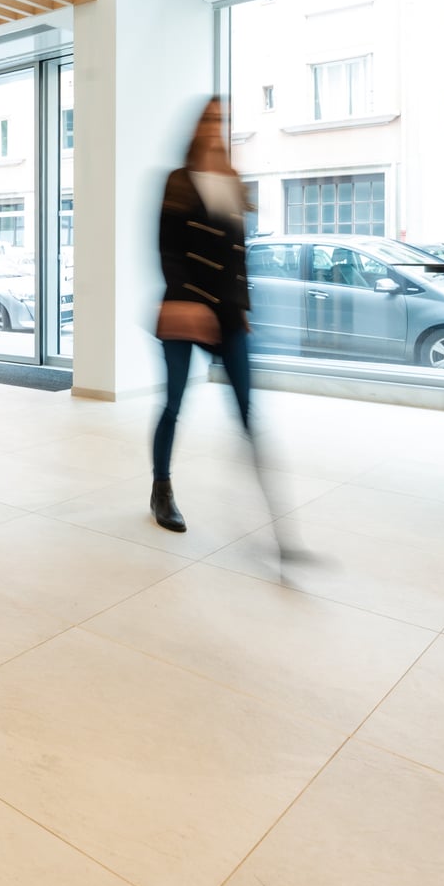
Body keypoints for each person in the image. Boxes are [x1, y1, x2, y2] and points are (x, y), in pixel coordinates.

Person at [150, 98, 308, 562]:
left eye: (224, 120)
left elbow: (238, 255)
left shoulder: (232, 180)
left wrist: (241, 310)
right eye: (212, 118)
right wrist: (188, 302)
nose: (218, 126)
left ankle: (281, 532)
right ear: (198, 126)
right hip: (184, 310)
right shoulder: (178, 181)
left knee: (247, 413)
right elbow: (168, 251)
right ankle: (161, 489)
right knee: (173, 405)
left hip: (227, 314)